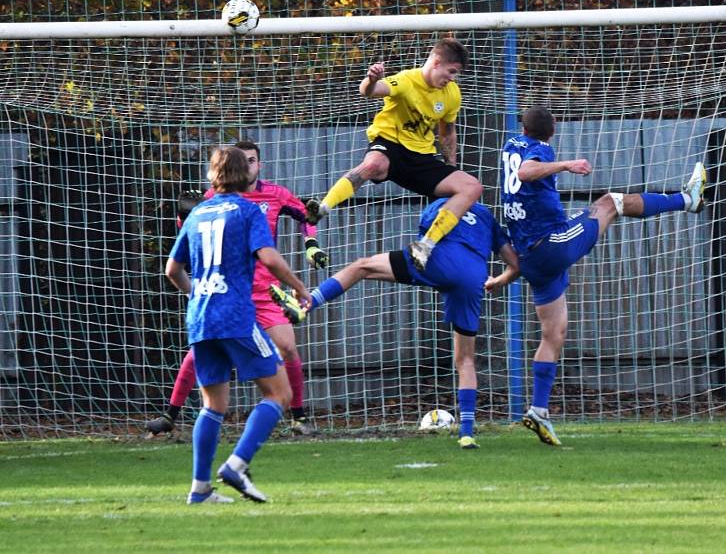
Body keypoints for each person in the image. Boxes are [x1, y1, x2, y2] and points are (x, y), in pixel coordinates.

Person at [488, 106, 707, 447]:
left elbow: (523, 168)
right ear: (554, 128)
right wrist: (566, 164)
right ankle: (687, 199)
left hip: (531, 257)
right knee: (610, 203)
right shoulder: (541, 150)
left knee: (554, 333)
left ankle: (538, 411)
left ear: (522, 127)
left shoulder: (509, 145)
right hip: (551, 243)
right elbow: (530, 170)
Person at [272, 198, 519, 449]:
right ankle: (467, 433)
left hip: (442, 261)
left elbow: (425, 238)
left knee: (362, 266)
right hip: (474, 275)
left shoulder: (440, 203)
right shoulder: (486, 215)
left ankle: (307, 303)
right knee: (465, 359)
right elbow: (516, 264)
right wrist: (498, 282)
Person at [148, 140, 326, 437]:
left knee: (284, 352)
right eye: (244, 161)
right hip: (235, 298)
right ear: (240, 170)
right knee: (273, 392)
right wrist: (300, 286)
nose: (249, 166)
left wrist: (312, 242)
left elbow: (307, 216)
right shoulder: (240, 208)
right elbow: (267, 256)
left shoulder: (265, 196)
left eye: (253, 160)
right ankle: (175, 417)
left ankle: (298, 418)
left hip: (250, 296)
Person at [166, 146, 312, 504]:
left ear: (212, 176)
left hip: (200, 316)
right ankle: (236, 465)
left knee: (212, 405)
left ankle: (200, 490)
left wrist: (197, 295)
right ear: (245, 175)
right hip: (235, 315)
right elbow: (268, 257)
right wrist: (299, 287)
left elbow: (172, 270)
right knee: (279, 393)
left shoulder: (199, 213)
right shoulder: (249, 210)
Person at [304, 38, 483, 272]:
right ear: (436, 62)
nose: (452, 78)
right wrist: (371, 79)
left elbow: (447, 130)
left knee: (472, 187)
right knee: (373, 164)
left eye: (455, 74)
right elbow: (368, 91)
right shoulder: (407, 80)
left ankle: (425, 245)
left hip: (422, 157)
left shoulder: (452, 94)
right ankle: (323, 208)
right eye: (451, 71)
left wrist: (451, 166)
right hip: (390, 145)